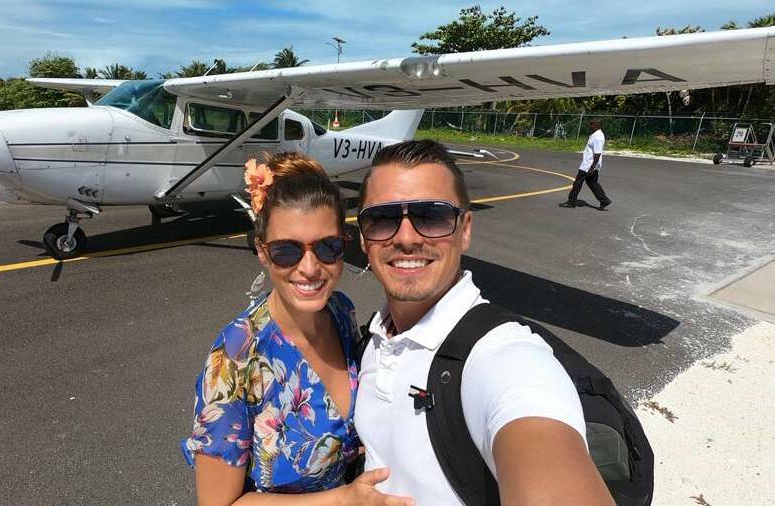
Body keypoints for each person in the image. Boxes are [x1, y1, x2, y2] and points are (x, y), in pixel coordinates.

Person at [354, 140, 614, 505]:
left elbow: (529, 416)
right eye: (381, 219)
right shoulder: (375, 336)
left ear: (465, 229)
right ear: (363, 239)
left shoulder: (505, 358)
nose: (407, 237)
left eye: (433, 216)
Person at [182, 152, 414, 506]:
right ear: (261, 251)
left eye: (328, 248)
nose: (310, 268)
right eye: (286, 251)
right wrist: (344, 500)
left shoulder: (339, 312)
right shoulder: (235, 358)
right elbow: (219, 503)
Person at [559, 119, 612, 209]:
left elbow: (598, 154)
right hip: (590, 164)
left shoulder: (598, 137)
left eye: (591, 124)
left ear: (596, 125)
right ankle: (604, 200)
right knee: (592, 183)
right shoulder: (595, 135)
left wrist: (591, 168)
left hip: (588, 165)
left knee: (577, 183)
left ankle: (571, 202)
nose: (590, 126)